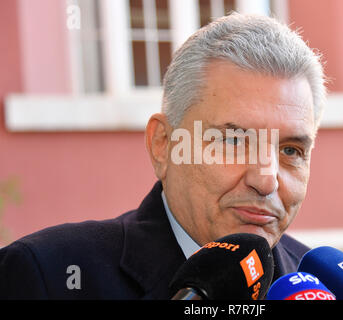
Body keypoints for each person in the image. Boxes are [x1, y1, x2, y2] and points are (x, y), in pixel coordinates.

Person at [0, 12, 326, 299]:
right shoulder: (46, 275)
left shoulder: (324, 288)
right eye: (233, 140)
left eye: (289, 150)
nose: (266, 179)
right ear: (163, 145)